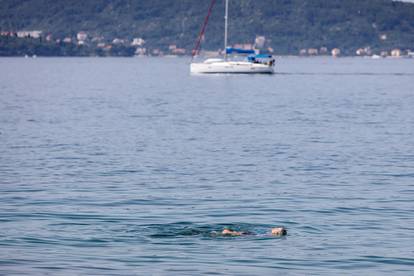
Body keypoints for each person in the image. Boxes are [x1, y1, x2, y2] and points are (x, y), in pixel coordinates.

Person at [221, 227, 287, 237]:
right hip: (252, 234)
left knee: (239, 233)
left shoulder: (271, 235)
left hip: (251, 235)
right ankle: (227, 231)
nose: (274, 228)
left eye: (276, 228)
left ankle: (227, 232)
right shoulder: (270, 234)